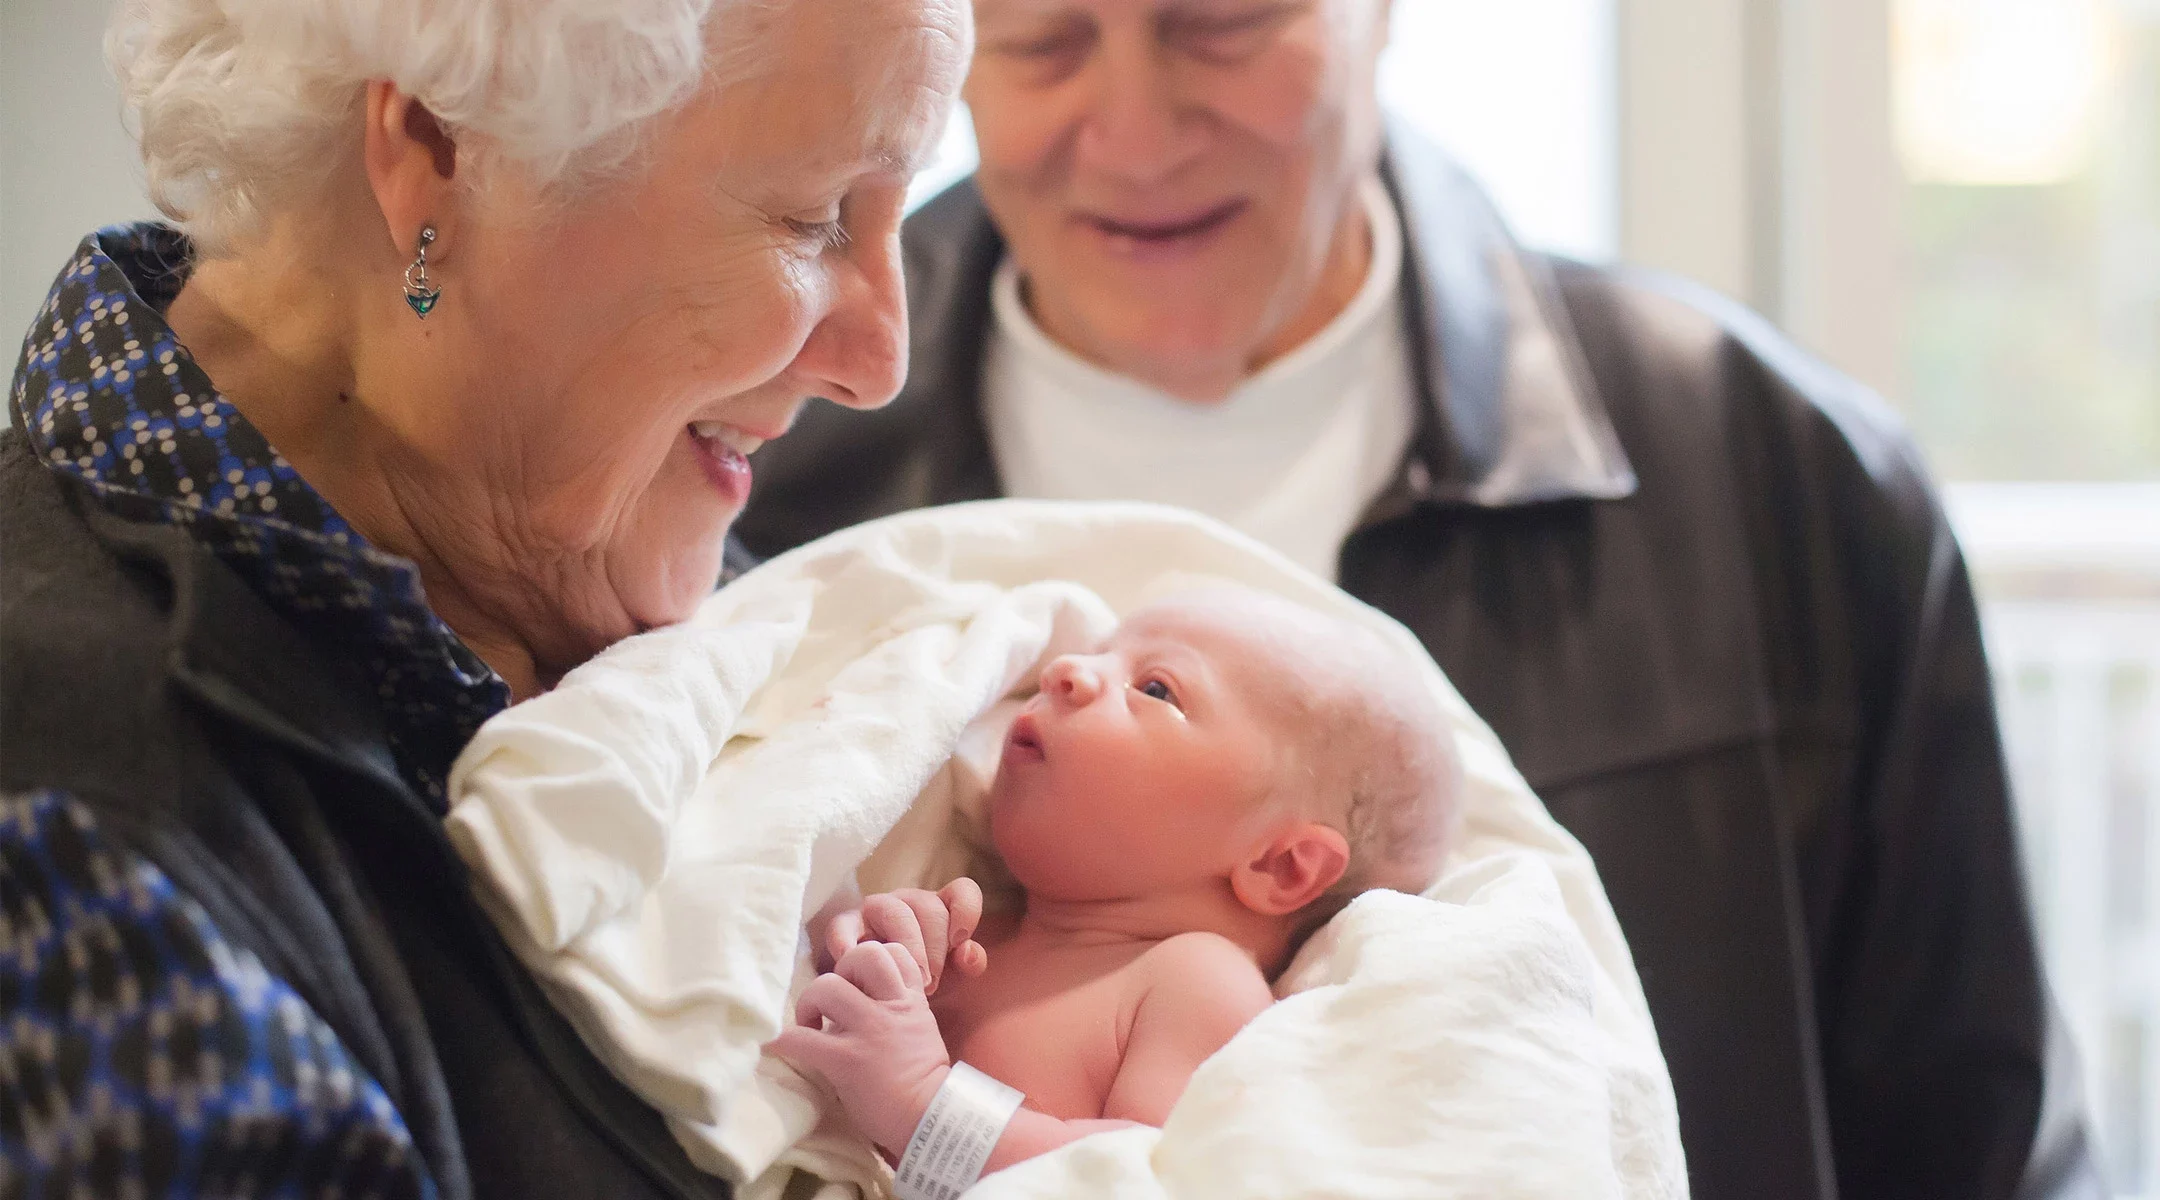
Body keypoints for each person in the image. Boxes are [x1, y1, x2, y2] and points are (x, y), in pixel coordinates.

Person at [732, 1, 2105, 1196]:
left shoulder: (1772, 473)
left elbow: (1981, 1147)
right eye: (1045, 41)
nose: (1137, 134)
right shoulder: (760, 487)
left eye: (1225, 22)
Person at [0, 0, 967, 1195]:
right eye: (816, 216)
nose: (885, 363)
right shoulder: (72, 865)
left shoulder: (670, 561)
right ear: (442, 155)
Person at [776, 589, 1459, 1173]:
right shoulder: (985, 928)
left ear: (1278, 865)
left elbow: (1136, 1176)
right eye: (1102, 649)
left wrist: (923, 1103)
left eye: (1155, 687)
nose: (1067, 670)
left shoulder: (1197, 982)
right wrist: (870, 950)